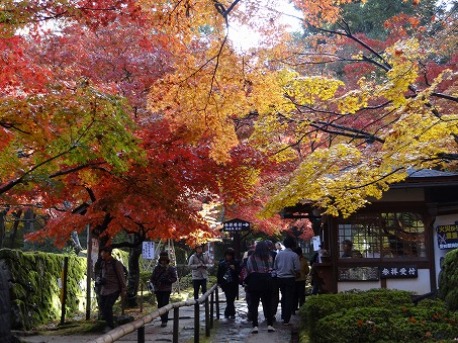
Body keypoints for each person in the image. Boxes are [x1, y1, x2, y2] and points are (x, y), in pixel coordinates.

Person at [246, 241, 276, 334]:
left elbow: (248, 269)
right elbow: (272, 269)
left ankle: (255, 326)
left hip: (255, 282)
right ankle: (270, 325)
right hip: (267, 282)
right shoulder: (269, 257)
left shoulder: (251, 258)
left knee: (254, 305)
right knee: (268, 304)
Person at [98, 246, 127, 331]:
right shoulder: (103, 263)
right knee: (102, 307)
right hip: (104, 290)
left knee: (108, 306)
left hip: (114, 289)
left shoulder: (116, 263)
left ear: (107, 253)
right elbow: (102, 275)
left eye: (103, 252)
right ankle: (111, 323)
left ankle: (110, 326)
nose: (101, 254)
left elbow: (121, 277)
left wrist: (123, 290)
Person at [273, 236, 300, 325]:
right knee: (289, 298)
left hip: (280, 278)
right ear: (292, 245)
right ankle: (286, 319)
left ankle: (283, 315)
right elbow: (298, 269)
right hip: (290, 278)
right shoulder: (294, 255)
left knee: (283, 297)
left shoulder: (279, 254)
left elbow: (275, 267)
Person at [150, 251, 178, 327]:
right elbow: (152, 278)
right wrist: (154, 283)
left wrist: (168, 280)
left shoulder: (170, 268)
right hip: (158, 289)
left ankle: (164, 320)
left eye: (165, 260)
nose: (163, 262)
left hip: (166, 289)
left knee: (165, 305)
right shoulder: (157, 268)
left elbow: (174, 278)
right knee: (160, 305)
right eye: (162, 260)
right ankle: (162, 319)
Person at [217, 248, 240, 319]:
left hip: (234, 283)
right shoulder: (222, 263)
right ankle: (230, 313)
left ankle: (229, 312)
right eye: (227, 255)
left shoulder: (236, 262)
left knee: (231, 299)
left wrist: (234, 269)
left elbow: (239, 272)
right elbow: (219, 274)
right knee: (228, 298)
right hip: (225, 284)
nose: (228, 257)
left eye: (230, 255)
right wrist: (219, 282)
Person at [292, 247, 309, 314]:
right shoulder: (304, 260)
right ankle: (302, 309)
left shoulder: (292, 259)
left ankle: (293, 309)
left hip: (293, 279)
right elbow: (307, 271)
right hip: (302, 279)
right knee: (301, 295)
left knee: (294, 295)